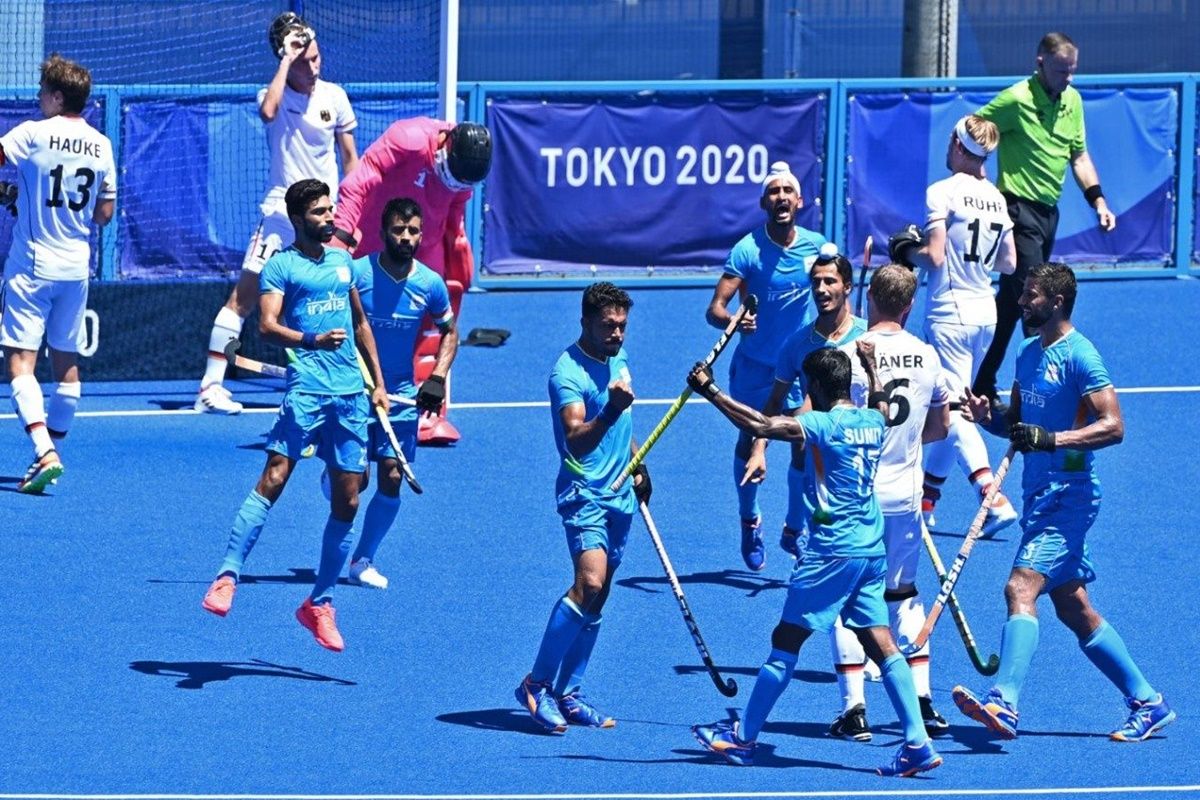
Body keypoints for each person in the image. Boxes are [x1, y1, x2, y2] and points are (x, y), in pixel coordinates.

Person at [687, 344, 942, 776]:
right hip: (870, 550)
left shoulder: (821, 424)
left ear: (819, 387)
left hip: (830, 553)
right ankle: (916, 743)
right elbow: (881, 402)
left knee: (786, 640)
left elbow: (761, 425)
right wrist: (873, 366)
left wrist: (710, 391)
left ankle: (743, 738)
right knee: (880, 643)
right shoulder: (874, 421)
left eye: (808, 386)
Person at [952, 263, 1175, 743]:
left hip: (1068, 497)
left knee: (1019, 588)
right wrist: (988, 418)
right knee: (1074, 609)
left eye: (1030, 296)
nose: (1021, 303)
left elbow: (1113, 426)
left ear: (1056, 301)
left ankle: (1004, 702)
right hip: (1038, 497)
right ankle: (1148, 702)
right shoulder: (1028, 354)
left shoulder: (1081, 356)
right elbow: (1020, 426)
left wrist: (1052, 438)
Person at [200, 179, 388, 654]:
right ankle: (227, 576)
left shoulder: (344, 263)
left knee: (348, 502)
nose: (331, 218)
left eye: (331, 211)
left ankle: (319, 605)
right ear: (300, 218)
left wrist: (379, 383)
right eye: (322, 213)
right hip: (306, 391)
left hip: (350, 396)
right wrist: (311, 342)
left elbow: (360, 323)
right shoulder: (280, 266)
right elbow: (265, 327)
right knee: (274, 478)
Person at [195, 11, 358, 415]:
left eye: (318, 56)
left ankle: (331, 383)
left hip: (326, 220)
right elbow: (268, 112)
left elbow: (350, 159)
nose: (316, 65)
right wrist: (287, 59)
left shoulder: (334, 96)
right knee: (243, 299)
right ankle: (210, 388)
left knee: (331, 302)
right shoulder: (276, 95)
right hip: (280, 216)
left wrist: (353, 214)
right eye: (308, 59)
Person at [515, 282, 651, 733]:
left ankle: (568, 692)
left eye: (622, 326)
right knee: (588, 583)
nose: (616, 334)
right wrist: (611, 411)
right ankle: (536, 685)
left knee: (601, 594)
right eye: (608, 326)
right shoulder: (566, 374)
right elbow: (576, 437)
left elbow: (622, 423)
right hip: (584, 493)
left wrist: (637, 460)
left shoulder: (618, 357)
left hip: (620, 495)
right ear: (585, 323)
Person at [826, 265, 952, 741]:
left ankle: (854, 710)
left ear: (869, 297)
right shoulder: (927, 355)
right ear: (910, 305)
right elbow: (940, 428)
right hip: (905, 496)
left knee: (847, 601)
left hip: (857, 498)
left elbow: (827, 429)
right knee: (903, 597)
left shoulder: (844, 354)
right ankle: (923, 703)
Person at [971, 32, 1116, 417]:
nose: (1068, 78)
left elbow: (1079, 157)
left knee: (1010, 303)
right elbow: (973, 129)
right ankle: (1040, 389)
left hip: (1049, 214)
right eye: (1060, 70)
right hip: (1017, 211)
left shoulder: (1073, 100)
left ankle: (982, 383)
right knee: (1037, 296)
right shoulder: (1016, 99)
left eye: (1072, 71)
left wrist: (1098, 201)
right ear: (1040, 63)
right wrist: (978, 180)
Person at [893, 114, 1019, 537]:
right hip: (986, 311)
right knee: (950, 402)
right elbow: (1009, 262)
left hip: (949, 312)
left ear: (960, 147)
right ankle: (927, 502)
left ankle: (992, 495)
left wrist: (905, 250)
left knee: (952, 406)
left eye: (951, 142)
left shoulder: (942, 192)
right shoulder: (997, 199)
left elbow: (933, 256)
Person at [331, 117, 492, 445]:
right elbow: (357, 182)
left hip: (426, 246)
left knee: (432, 327)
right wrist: (340, 238)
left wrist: (457, 250)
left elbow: (455, 212)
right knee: (358, 323)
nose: (456, 182)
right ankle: (339, 408)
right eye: (454, 174)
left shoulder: (464, 172)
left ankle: (426, 416)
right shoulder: (409, 138)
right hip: (375, 240)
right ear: (445, 142)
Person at [0, 54, 116, 493]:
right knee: (66, 366)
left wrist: (11, 190)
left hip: (31, 265)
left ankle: (44, 450)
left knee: (20, 363)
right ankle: (51, 452)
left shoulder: (33, 133)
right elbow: (104, 213)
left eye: (42, 92)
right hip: (75, 266)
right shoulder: (102, 144)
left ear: (56, 95)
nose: (37, 98)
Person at [705, 161, 829, 572]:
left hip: (797, 367)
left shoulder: (817, 248)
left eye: (786, 191)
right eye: (773, 192)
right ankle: (749, 519)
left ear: (799, 200)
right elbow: (715, 309)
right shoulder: (747, 250)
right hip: (754, 368)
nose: (780, 198)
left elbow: (836, 289)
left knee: (802, 443)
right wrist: (733, 319)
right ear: (764, 202)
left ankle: (793, 529)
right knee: (749, 441)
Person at [340, 197, 459, 590]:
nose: (406, 238)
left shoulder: (429, 284)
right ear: (383, 232)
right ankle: (335, 474)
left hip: (402, 395)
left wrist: (438, 376)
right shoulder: (356, 274)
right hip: (355, 392)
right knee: (355, 481)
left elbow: (450, 332)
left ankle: (362, 560)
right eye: (398, 230)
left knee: (391, 476)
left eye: (412, 231)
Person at [742, 253, 865, 563]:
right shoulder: (796, 345)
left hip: (859, 454)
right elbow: (772, 405)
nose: (821, 289)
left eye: (830, 281)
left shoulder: (869, 337)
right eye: (816, 282)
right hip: (820, 462)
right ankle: (800, 538)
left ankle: (794, 533)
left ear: (847, 286)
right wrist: (759, 451)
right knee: (823, 547)